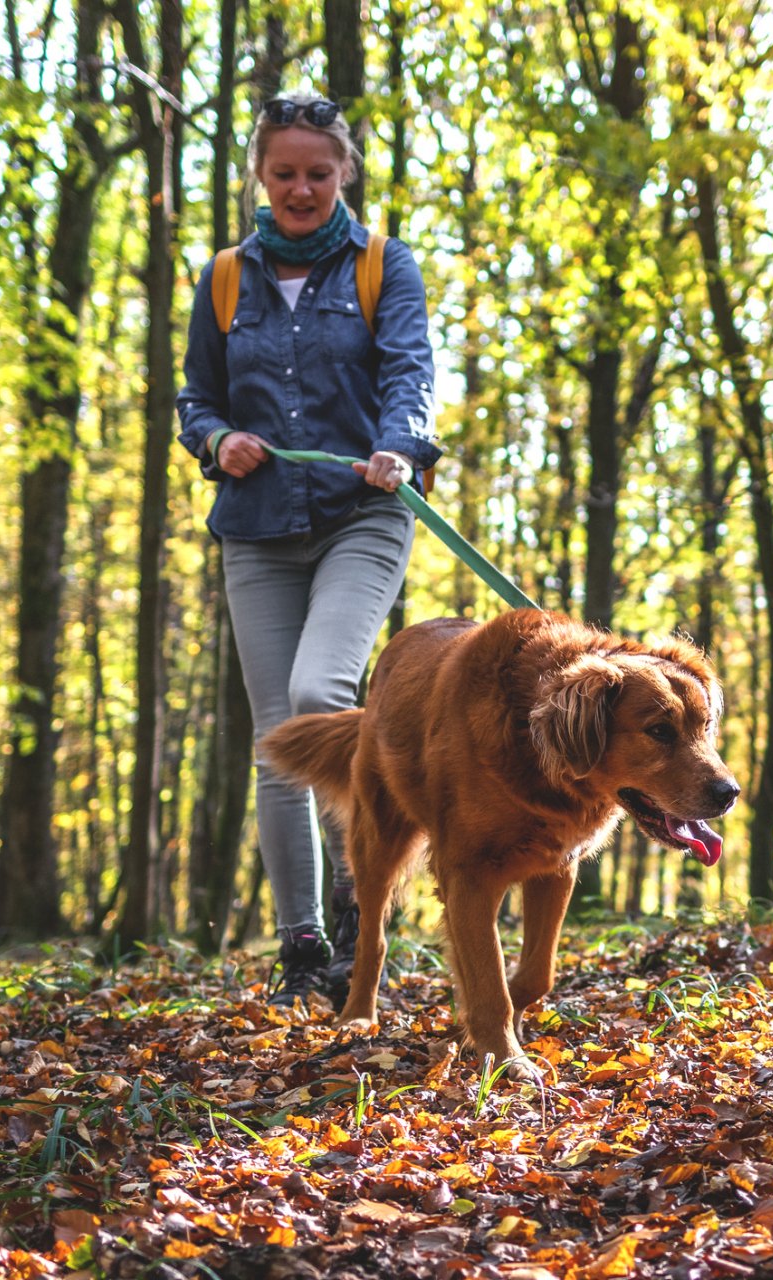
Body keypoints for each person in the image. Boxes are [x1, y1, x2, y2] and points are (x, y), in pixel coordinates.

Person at [176, 91, 441, 1008]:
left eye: (317, 174)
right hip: (255, 528)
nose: (300, 189)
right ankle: (302, 950)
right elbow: (195, 399)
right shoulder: (222, 279)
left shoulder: (382, 265)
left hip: (360, 516)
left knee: (320, 695)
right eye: (283, 173)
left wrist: (399, 445)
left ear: (344, 174)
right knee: (274, 741)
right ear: (260, 174)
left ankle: (354, 888)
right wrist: (217, 442)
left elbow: (411, 371)